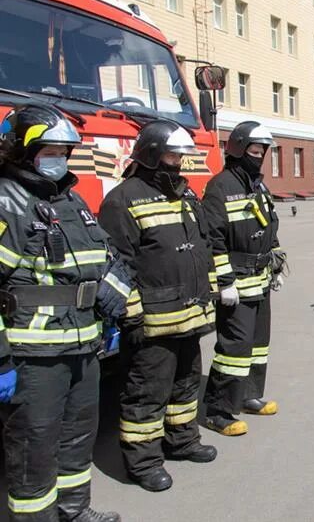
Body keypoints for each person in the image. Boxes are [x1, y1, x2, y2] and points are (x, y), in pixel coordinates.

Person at [0, 104, 129, 521]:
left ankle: (74, 511)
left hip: (83, 343)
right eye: (49, 150)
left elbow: (105, 255)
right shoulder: (7, 202)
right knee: (33, 447)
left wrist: (113, 305)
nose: (59, 159)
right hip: (34, 355)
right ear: (22, 151)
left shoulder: (69, 198)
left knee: (78, 435)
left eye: (64, 151)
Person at [98, 120, 217, 492]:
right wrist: (132, 313)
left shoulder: (184, 194)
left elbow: (201, 246)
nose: (178, 163)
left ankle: (181, 441)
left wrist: (211, 291)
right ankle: (142, 462)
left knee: (184, 384)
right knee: (146, 393)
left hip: (189, 314)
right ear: (151, 156)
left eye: (181, 157)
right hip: (152, 320)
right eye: (171, 155)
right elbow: (113, 264)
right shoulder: (123, 199)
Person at [201, 121, 285, 437]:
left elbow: (270, 225)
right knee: (233, 349)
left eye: (263, 150)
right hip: (236, 283)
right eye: (254, 149)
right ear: (237, 149)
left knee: (258, 345)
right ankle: (218, 411)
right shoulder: (220, 187)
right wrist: (224, 282)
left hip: (260, 280)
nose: (259, 155)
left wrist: (275, 261)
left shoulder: (257, 185)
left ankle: (249, 395)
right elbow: (213, 238)